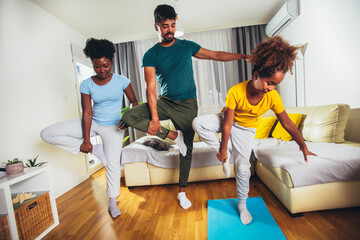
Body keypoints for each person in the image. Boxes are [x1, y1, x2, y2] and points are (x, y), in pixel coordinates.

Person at [121, 4, 251, 210]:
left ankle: (182, 192)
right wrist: (155, 119)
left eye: (172, 25)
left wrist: (243, 56)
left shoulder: (186, 46)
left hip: (188, 104)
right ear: (157, 27)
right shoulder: (151, 54)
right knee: (128, 117)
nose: (169, 30)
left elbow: (216, 55)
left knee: (186, 149)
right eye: (165, 26)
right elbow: (151, 88)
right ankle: (174, 137)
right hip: (165, 102)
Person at [192, 36, 316, 225]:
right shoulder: (236, 91)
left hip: (246, 129)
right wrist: (223, 149)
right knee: (198, 123)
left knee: (243, 168)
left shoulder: (272, 97)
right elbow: (226, 124)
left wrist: (303, 145)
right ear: (256, 75)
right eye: (269, 83)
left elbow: (287, 123)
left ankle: (243, 205)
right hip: (227, 120)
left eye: (275, 85)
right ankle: (225, 155)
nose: (271, 88)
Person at [41, 38, 138, 218]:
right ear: (92, 64)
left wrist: (128, 119)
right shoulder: (87, 84)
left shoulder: (121, 80)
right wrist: (86, 141)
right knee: (47, 133)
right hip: (93, 123)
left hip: (114, 127)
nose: (102, 70)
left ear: (111, 62)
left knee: (112, 165)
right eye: (97, 66)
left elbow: (134, 102)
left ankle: (112, 202)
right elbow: (87, 112)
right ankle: (96, 149)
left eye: (105, 65)